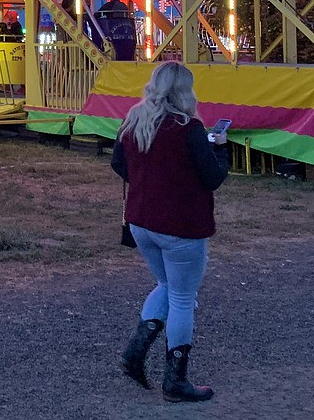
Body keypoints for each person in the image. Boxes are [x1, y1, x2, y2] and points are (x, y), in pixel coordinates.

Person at [111, 61, 228, 402]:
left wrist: (148, 181)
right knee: (181, 298)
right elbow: (212, 178)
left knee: (166, 285)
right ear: (184, 91)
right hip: (180, 226)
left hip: (141, 222)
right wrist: (222, 148)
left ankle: (135, 351)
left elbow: (119, 164)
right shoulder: (189, 128)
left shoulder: (134, 119)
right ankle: (175, 381)